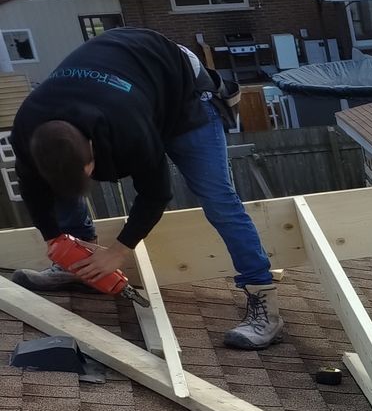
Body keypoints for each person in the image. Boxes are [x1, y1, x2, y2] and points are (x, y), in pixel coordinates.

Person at [11, 27, 281, 349]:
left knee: (218, 199)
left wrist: (117, 252)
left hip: (182, 94)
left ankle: (265, 305)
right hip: (131, 82)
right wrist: (56, 241)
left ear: (92, 156)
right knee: (59, 189)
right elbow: (32, 185)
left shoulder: (127, 129)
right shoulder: (28, 131)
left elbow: (156, 194)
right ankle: (75, 266)